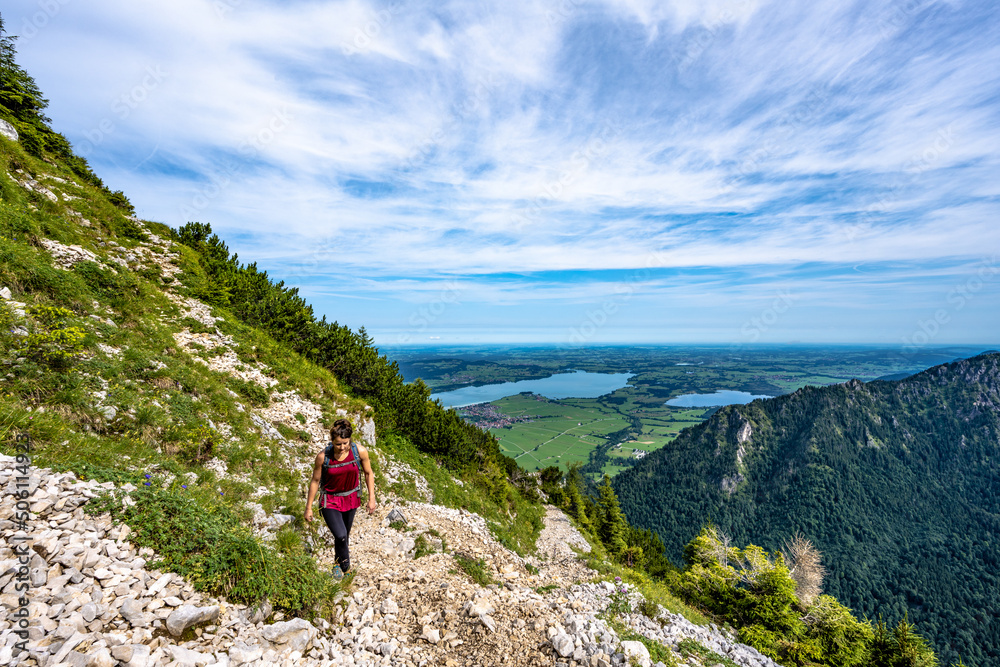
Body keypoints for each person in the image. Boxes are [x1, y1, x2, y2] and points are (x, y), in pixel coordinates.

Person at [305, 419, 377, 578]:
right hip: (329, 500)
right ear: (332, 441)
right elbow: (315, 481)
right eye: (338, 444)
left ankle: (337, 563)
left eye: (345, 443)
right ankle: (346, 569)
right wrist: (308, 507)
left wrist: (372, 498)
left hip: (351, 498)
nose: (342, 447)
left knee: (344, 534)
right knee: (341, 535)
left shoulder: (360, 452)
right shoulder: (323, 457)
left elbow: (368, 473)